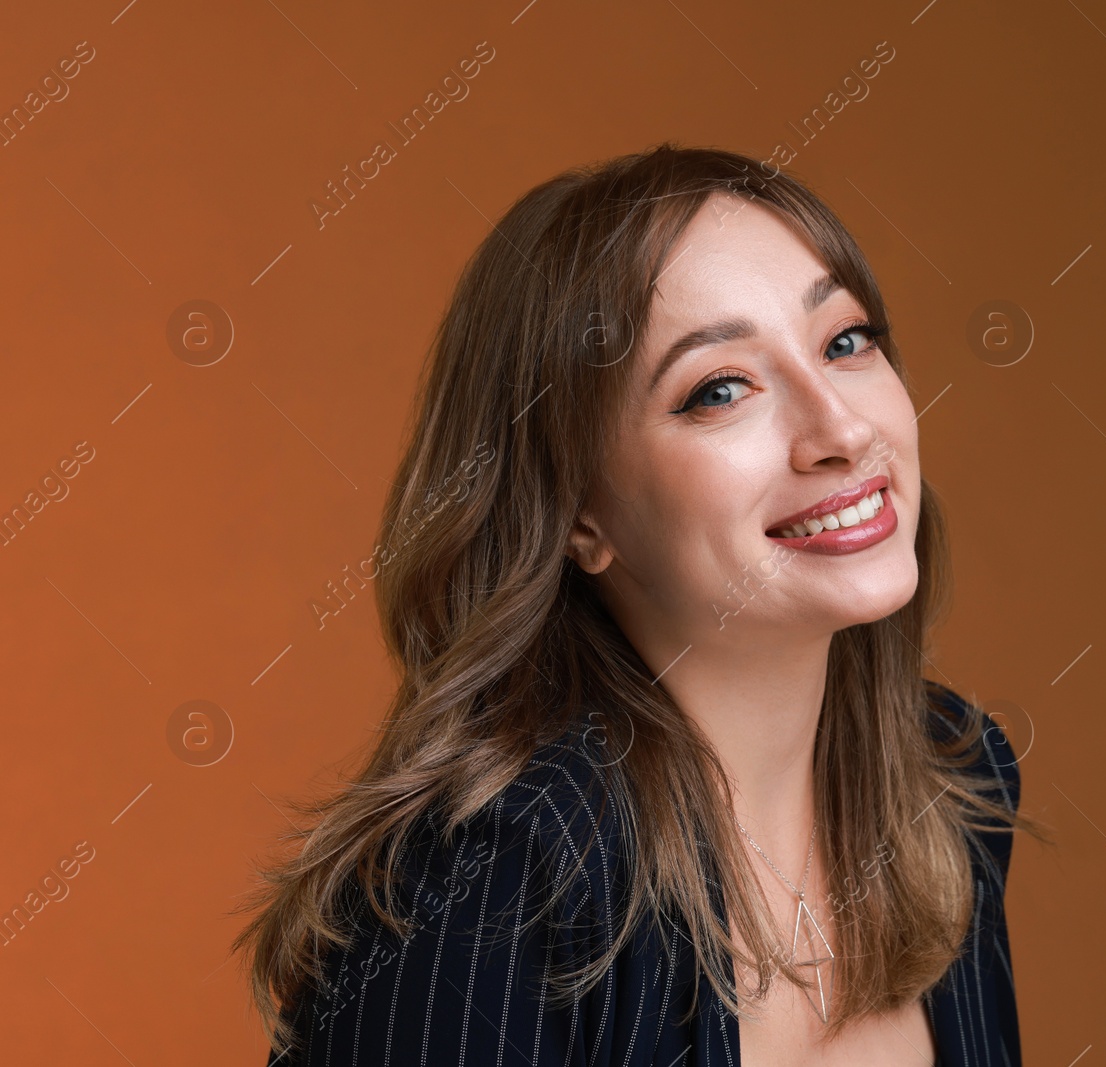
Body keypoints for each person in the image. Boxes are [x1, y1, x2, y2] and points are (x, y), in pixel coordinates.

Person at [235, 143, 1039, 1066]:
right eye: (719, 390)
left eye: (845, 341)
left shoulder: (951, 784)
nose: (843, 429)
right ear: (580, 515)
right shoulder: (488, 886)